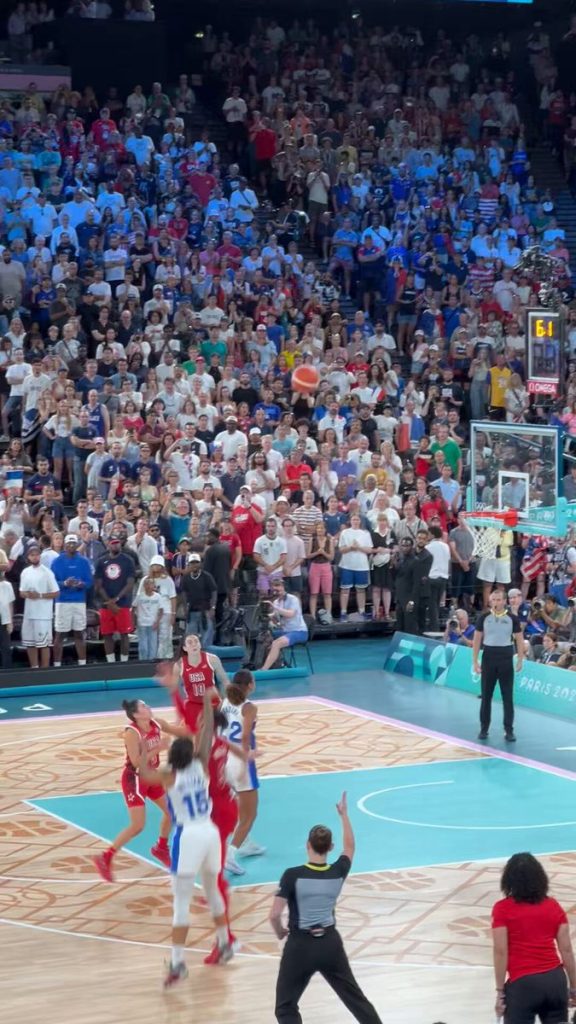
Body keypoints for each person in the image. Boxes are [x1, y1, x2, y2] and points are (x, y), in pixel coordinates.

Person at [139, 691, 235, 986]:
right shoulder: (201, 765)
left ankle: (178, 962)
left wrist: (146, 749)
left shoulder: (169, 774)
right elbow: (204, 736)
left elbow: (143, 774)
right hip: (210, 833)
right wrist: (208, 704)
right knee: (213, 890)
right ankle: (224, 943)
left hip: (189, 835)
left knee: (181, 903)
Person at [270, 791, 383, 1024]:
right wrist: (344, 816)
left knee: (286, 1006)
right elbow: (350, 847)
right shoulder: (338, 872)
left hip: (300, 946)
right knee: (356, 1000)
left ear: (307, 845)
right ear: (330, 847)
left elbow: (274, 914)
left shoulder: (292, 876)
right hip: (331, 945)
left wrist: (280, 931)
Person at [92, 698, 178, 882]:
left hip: (152, 775)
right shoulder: (132, 733)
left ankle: (161, 847)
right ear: (137, 715)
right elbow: (137, 762)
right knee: (138, 826)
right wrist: (158, 748)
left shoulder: (156, 723)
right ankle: (105, 857)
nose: (149, 707)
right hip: (135, 778)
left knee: (173, 811)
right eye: (144, 707)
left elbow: (177, 729)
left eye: (147, 705)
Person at [492, 852, 576, 1023]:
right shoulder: (553, 906)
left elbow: (501, 951)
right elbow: (566, 950)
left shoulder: (502, 909)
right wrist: (574, 986)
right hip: (555, 982)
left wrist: (500, 992)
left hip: (523, 985)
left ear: (509, 880)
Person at [221, 669, 265, 875]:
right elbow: (246, 735)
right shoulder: (249, 707)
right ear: (250, 685)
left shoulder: (225, 702)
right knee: (250, 815)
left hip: (224, 759)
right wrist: (248, 756)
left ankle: (247, 844)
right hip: (240, 760)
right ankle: (230, 855)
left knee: (240, 806)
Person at [473, 590, 524, 742]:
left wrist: (520, 659)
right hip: (489, 657)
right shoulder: (483, 617)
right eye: (493, 600)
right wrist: (475, 660)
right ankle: (484, 728)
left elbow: (519, 639)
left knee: (507, 697)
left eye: (499, 599)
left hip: (506, 658)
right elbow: (477, 639)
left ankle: (509, 730)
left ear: (504, 601)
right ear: (490, 601)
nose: (496, 602)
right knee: (486, 696)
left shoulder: (512, 618)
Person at [51, 533, 93, 667]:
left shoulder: (84, 561)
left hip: (79, 601)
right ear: (64, 544)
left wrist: (82, 584)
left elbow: (89, 581)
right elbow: (52, 581)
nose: (71, 546)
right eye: (68, 543)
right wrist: (64, 583)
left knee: (79, 633)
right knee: (60, 634)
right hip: (62, 602)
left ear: (76, 545)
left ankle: (82, 664)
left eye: (73, 543)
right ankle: (57, 665)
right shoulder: (57, 561)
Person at [93, 535, 136, 663]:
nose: (115, 545)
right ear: (108, 545)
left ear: (120, 544)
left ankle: (124, 661)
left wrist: (116, 599)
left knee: (124, 634)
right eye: (112, 543)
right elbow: (98, 584)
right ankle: (110, 662)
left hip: (122, 603)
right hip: (105, 603)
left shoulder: (128, 560)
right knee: (107, 634)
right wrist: (109, 602)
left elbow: (130, 583)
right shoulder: (101, 561)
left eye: (117, 542)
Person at [177, 631, 229, 732]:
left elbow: (225, 681)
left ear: (200, 644)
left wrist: (224, 701)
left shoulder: (212, 659)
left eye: (196, 641)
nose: (194, 644)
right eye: (190, 642)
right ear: (184, 648)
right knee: (193, 739)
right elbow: (177, 690)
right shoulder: (179, 665)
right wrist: (183, 708)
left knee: (217, 735)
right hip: (193, 705)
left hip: (213, 704)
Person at [19, 542, 59, 667]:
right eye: (32, 555)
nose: (35, 557)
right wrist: (27, 594)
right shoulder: (25, 572)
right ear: (28, 557)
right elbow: (21, 592)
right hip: (29, 614)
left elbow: (56, 592)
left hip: (43, 615)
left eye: (37, 555)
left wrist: (40, 595)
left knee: (44, 644)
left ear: (40, 556)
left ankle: (44, 671)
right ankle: (34, 669)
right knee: (30, 644)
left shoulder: (47, 572)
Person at [260, 577, 308, 672]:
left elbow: (290, 614)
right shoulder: (276, 602)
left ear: (283, 587)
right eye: (274, 587)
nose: (276, 589)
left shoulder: (293, 599)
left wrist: (275, 608)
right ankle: (277, 664)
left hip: (299, 631)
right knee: (263, 637)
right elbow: (276, 619)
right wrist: (268, 617)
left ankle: (264, 669)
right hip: (285, 631)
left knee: (276, 643)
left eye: (278, 586)